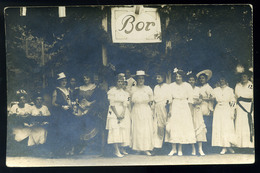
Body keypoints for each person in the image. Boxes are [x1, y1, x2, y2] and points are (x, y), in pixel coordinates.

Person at [165, 68, 196, 156]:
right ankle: (173, 148)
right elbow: (170, 100)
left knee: (182, 127)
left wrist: (190, 111)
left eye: (180, 76)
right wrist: (170, 110)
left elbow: (190, 100)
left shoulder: (187, 86)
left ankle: (180, 149)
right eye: (176, 76)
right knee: (174, 126)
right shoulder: (171, 86)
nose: (178, 78)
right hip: (175, 106)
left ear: (182, 77)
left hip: (184, 106)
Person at [106, 74, 131, 157]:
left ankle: (121, 148)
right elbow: (112, 104)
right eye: (119, 81)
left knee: (122, 129)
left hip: (122, 111)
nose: (120, 83)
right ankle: (116, 150)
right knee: (115, 129)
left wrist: (123, 113)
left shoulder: (125, 93)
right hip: (114, 111)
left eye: (122, 82)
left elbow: (125, 103)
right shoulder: (112, 91)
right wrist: (117, 115)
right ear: (116, 82)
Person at [130, 70, 154, 155]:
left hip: (145, 110)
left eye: (142, 78)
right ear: (136, 79)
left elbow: (151, 101)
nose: (141, 80)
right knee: (137, 129)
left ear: (144, 80)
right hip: (136, 109)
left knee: (146, 129)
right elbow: (130, 102)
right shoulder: (133, 89)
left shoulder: (148, 89)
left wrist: (152, 112)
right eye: (139, 78)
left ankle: (146, 148)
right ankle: (138, 148)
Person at [212, 75, 236, 154]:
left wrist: (232, 111)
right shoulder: (215, 90)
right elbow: (211, 99)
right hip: (218, 109)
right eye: (220, 79)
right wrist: (210, 109)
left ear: (226, 80)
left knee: (227, 127)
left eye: (223, 79)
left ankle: (228, 146)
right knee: (220, 127)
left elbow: (233, 101)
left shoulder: (230, 90)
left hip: (226, 109)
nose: (222, 81)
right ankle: (223, 147)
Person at [51, 72, 72, 156]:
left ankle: (66, 150)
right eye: (62, 81)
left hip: (68, 113)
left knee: (67, 131)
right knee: (60, 131)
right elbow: (53, 103)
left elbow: (68, 100)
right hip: (60, 114)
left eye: (65, 80)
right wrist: (61, 107)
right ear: (59, 82)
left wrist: (71, 105)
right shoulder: (56, 90)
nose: (64, 82)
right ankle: (59, 151)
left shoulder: (67, 90)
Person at [187, 72, 207, 156]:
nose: (191, 81)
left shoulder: (198, 89)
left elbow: (201, 99)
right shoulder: (186, 89)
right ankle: (193, 148)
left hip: (197, 109)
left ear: (195, 81)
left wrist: (197, 102)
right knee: (191, 127)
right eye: (190, 80)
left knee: (199, 127)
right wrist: (191, 103)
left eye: (193, 80)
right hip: (189, 109)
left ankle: (200, 149)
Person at [8, 90, 32, 156]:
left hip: (25, 125)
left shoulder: (28, 106)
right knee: (18, 133)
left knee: (29, 131)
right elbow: (11, 116)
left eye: (24, 99)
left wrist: (25, 117)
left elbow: (30, 115)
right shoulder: (14, 107)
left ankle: (25, 150)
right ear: (18, 100)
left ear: (25, 100)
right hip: (17, 125)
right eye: (20, 99)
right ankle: (18, 150)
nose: (22, 101)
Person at [234, 69, 254, 151]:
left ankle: (249, 145)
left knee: (247, 125)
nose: (243, 78)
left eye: (245, 76)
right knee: (239, 124)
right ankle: (240, 146)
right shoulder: (238, 85)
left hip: (248, 106)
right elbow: (235, 97)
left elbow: (251, 96)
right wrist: (234, 108)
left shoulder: (251, 85)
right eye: (242, 77)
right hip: (239, 107)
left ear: (248, 77)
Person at [196, 69, 214, 153]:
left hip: (205, 108)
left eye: (203, 78)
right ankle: (199, 147)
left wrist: (203, 98)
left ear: (206, 79)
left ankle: (207, 148)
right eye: (200, 78)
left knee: (206, 127)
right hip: (199, 108)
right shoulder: (198, 87)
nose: (201, 80)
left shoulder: (208, 87)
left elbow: (213, 98)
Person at [153, 72, 170, 153]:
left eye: (159, 77)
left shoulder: (167, 86)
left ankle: (168, 146)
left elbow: (169, 98)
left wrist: (168, 107)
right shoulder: (156, 87)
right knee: (159, 126)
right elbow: (154, 98)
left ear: (163, 78)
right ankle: (158, 146)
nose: (157, 78)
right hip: (157, 107)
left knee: (167, 126)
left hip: (165, 107)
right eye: (156, 77)